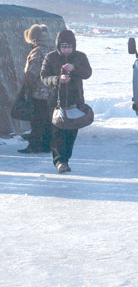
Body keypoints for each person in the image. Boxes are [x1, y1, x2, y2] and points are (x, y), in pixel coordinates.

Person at [41, 30, 92, 174]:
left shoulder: (80, 57)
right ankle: (60, 161)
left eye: (69, 46)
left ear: (74, 45)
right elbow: (44, 77)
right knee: (57, 133)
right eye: (63, 46)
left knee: (70, 134)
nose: (66, 49)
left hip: (75, 102)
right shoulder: (50, 58)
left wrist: (75, 68)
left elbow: (88, 73)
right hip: (55, 103)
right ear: (58, 45)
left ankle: (66, 159)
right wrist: (58, 79)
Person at [18, 24, 52, 153]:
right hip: (50, 91)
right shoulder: (51, 49)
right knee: (47, 119)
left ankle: (35, 146)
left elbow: (32, 72)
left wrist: (27, 86)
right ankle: (47, 145)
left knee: (37, 120)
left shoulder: (37, 51)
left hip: (39, 91)